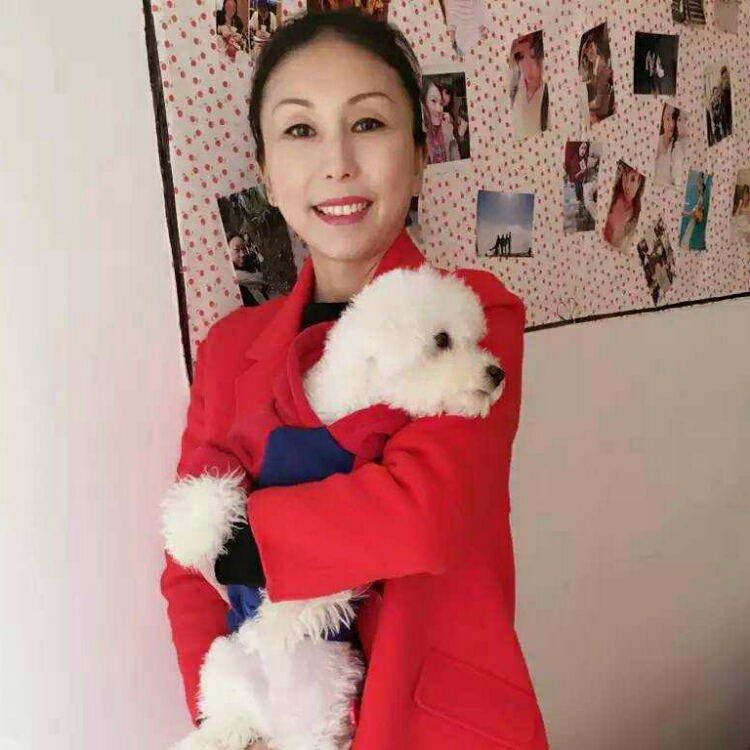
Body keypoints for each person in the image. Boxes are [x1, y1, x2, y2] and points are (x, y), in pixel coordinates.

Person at [160, 10, 548, 750]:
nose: (337, 162)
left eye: (367, 123)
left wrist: (243, 546)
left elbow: (422, 516)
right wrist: (236, 722)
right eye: (300, 130)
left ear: (419, 154)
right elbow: (186, 571)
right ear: (266, 172)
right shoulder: (230, 349)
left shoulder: (469, 311)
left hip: (443, 727)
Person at [509, 31, 548, 140]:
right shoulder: (516, 83)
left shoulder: (548, 92)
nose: (527, 66)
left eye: (533, 57)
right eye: (520, 57)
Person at [603, 164, 644, 249]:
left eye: (633, 179)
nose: (626, 185)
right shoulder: (613, 194)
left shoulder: (635, 218)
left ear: (639, 183)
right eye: (625, 175)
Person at [580, 30, 614, 124]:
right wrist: (582, 53)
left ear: (596, 46)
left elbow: (598, 103)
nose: (589, 52)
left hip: (604, 112)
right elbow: (582, 75)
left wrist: (584, 106)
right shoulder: (594, 66)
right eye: (586, 51)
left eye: (591, 47)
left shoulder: (601, 67)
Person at [422, 79, 460, 163]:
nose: (439, 109)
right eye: (433, 101)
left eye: (441, 103)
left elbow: (456, 159)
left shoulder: (448, 128)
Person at [653, 104, 684, 186]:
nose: (671, 124)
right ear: (662, 120)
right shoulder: (655, 143)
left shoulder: (677, 146)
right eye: (667, 118)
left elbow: (678, 180)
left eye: (673, 118)